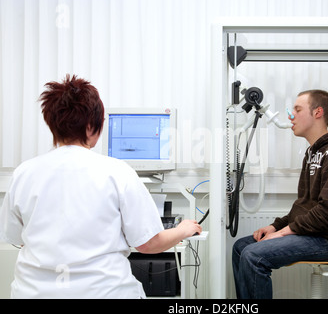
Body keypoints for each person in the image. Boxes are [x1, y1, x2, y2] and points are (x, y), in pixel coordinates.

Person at [0, 74, 201, 299]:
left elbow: (16, 237)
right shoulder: (117, 172)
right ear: (90, 126)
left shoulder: (24, 173)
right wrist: (182, 229)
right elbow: (148, 243)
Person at [232, 89, 328, 299]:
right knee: (241, 247)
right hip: (313, 233)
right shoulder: (313, 153)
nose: (290, 116)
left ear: (318, 113)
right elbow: (304, 206)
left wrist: (283, 233)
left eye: (297, 109)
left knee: (253, 255)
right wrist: (276, 226)